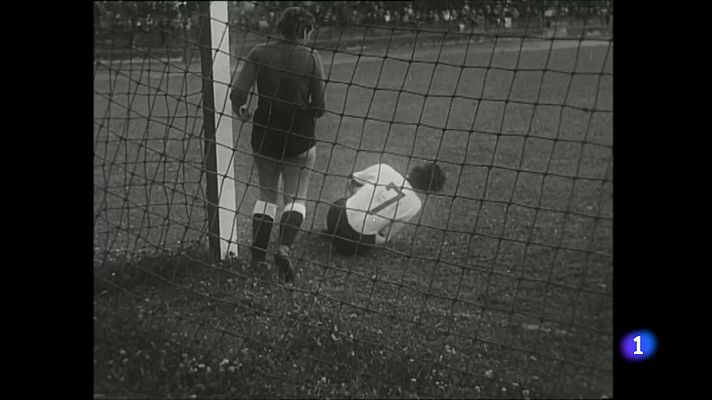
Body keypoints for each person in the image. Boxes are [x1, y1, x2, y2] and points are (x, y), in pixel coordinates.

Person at [230, 6, 326, 283]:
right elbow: (319, 107)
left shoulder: (259, 52)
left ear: (281, 28)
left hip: (265, 132)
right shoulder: (311, 57)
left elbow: (238, 93)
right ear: (305, 31)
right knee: (296, 198)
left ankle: (258, 256)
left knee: (266, 195)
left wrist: (242, 110)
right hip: (299, 135)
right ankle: (283, 248)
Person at [324, 162, 446, 256]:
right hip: (355, 245)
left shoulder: (385, 169)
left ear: (416, 169)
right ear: (428, 190)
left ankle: (335, 231)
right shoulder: (415, 205)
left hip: (335, 216)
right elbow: (384, 237)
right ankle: (342, 236)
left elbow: (352, 180)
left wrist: (358, 201)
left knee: (345, 202)